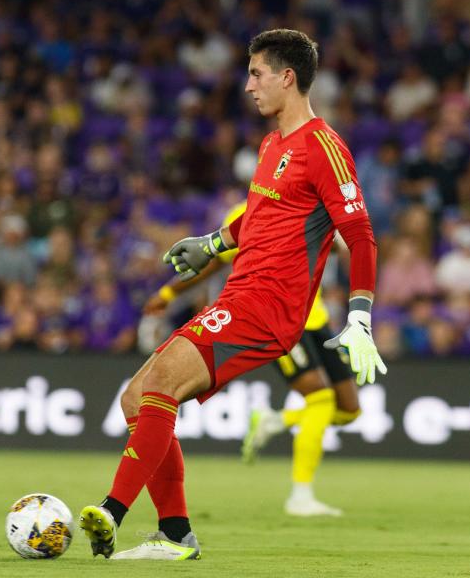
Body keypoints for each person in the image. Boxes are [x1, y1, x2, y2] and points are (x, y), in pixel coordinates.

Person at [78, 29, 384, 560]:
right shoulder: (272, 145)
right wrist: (212, 243)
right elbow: (259, 218)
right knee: (136, 399)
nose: (248, 86)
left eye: (256, 73)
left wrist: (359, 317)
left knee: (164, 383)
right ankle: (175, 535)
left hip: (269, 309)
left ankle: (111, 511)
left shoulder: (324, 148)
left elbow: (359, 236)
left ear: (287, 77)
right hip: (237, 296)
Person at [144, 201, 362, 518]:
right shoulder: (244, 214)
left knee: (349, 410)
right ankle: (301, 495)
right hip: (280, 321)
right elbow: (213, 261)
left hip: (317, 318)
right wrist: (167, 295)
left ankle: (275, 420)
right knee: (320, 399)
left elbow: (344, 247)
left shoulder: (311, 208)